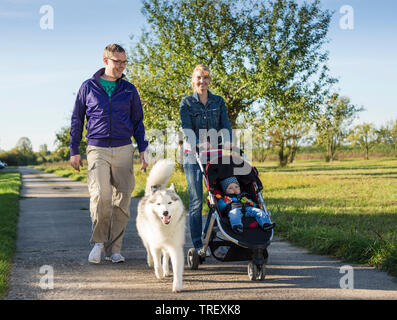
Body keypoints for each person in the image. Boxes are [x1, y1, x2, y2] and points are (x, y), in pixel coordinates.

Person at [70, 43, 148, 264]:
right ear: (106, 61)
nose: (122, 66)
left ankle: (115, 249)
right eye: (117, 62)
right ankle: (98, 243)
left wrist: (143, 148)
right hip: (97, 148)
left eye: (124, 62)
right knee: (102, 195)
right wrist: (74, 149)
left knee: (122, 200)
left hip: (124, 148)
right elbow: (77, 119)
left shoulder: (129, 89)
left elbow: (137, 121)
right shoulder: (88, 86)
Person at [180, 64, 233, 257]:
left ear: (210, 80)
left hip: (214, 156)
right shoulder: (186, 103)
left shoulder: (218, 102)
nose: (202, 81)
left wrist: (227, 141)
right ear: (193, 81)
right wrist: (196, 145)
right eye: (198, 78)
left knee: (216, 198)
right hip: (193, 157)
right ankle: (197, 244)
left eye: (205, 78)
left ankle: (207, 236)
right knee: (196, 201)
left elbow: (225, 124)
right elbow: (186, 128)